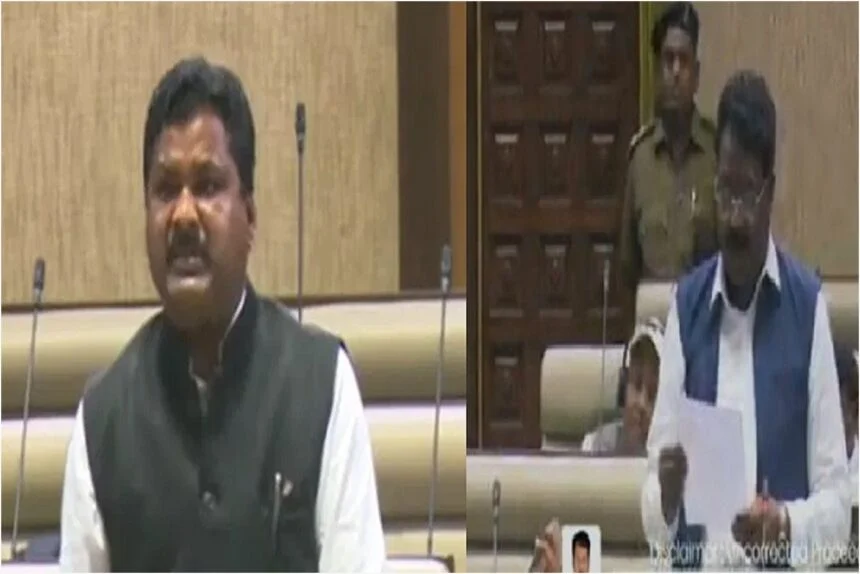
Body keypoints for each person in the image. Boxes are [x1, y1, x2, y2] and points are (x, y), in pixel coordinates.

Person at [58, 57, 387, 572]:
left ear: (249, 216)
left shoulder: (321, 386)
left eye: (208, 186)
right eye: (165, 190)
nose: (183, 214)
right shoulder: (105, 419)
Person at [640, 70, 851, 569]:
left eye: (747, 193)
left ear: (770, 191)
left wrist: (785, 525)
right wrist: (665, 494)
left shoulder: (806, 309)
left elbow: (839, 511)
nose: (734, 216)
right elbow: (653, 511)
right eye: (725, 191)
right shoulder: (687, 308)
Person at [619, 2, 719, 291]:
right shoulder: (640, 159)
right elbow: (628, 265)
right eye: (668, 59)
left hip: (704, 313)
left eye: (683, 61)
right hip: (656, 314)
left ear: (696, 75)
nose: (675, 72)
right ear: (656, 72)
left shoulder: (717, 154)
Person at [582, 318, 664, 456]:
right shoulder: (596, 445)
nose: (642, 403)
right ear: (623, 388)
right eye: (637, 385)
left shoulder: (668, 457)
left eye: (653, 393)